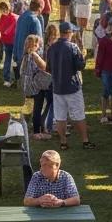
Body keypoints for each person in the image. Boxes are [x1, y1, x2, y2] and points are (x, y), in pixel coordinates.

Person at [22, 149, 80, 222]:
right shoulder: (37, 177)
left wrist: (61, 202)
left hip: (62, 221)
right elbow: (26, 201)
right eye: (41, 164)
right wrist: (39, 200)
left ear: (56, 165)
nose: (41, 168)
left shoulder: (66, 177)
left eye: (45, 165)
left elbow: (76, 199)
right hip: (42, 219)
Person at [48, 21, 95, 150]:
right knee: (79, 115)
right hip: (72, 86)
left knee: (60, 116)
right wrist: (83, 55)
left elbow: (48, 67)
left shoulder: (51, 47)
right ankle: (85, 141)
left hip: (57, 87)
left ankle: (63, 142)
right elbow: (80, 65)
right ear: (68, 33)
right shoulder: (73, 47)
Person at [20, 34, 52, 139]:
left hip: (27, 86)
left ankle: (28, 127)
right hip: (36, 86)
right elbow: (44, 67)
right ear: (35, 45)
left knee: (29, 108)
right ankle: (37, 132)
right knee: (38, 108)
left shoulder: (25, 55)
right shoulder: (33, 55)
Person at [13, 0, 44, 82]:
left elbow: (16, 35)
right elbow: (38, 41)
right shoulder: (35, 20)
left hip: (19, 52)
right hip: (30, 56)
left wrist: (15, 54)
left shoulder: (21, 17)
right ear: (40, 8)